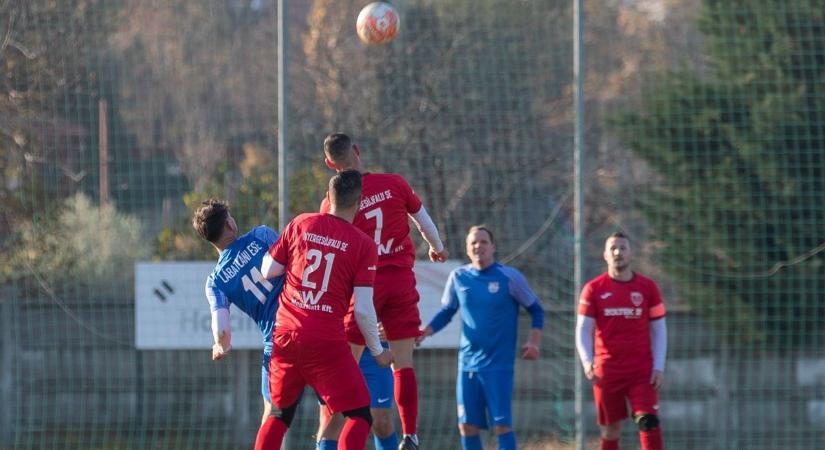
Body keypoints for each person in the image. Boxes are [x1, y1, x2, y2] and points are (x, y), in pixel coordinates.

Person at [321, 132, 449, 450]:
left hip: (364, 288)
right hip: (400, 283)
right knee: (403, 364)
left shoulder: (332, 203)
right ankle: (411, 435)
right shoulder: (394, 183)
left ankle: (325, 442)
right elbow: (424, 221)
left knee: (343, 373)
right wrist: (438, 248)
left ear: (329, 164)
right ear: (357, 151)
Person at [255, 170, 394, 450]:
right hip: (325, 341)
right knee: (359, 414)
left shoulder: (301, 223)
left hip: (285, 334)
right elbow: (364, 311)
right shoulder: (363, 245)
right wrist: (378, 352)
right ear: (359, 202)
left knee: (280, 414)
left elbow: (267, 270)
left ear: (328, 197)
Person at [417, 225, 544, 450]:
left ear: (493, 247)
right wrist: (426, 331)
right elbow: (447, 311)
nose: (478, 246)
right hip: (467, 365)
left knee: (502, 426)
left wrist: (533, 341)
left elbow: (536, 309)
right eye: (473, 242)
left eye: (483, 242)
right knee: (467, 426)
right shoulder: (459, 277)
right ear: (467, 249)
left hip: (499, 365)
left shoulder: (509, 277)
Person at [192, 199, 285, 437]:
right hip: (307, 322)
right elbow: (295, 264)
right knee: (333, 405)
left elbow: (222, 331)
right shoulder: (262, 236)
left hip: (276, 342)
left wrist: (220, 347)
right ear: (230, 224)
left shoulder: (216, 281)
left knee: (273, 412)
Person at [575, 232, 667, 450]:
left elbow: (659, 329)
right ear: (605, 255)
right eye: (613, 248)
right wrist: (588, 362)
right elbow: (583, 328)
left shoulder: (648, 287)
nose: (618, 252)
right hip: (607, 371)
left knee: (649, 422)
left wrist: (659, 366)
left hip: (641, 370)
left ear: (631, 253)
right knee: (610, 430)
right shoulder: (593, 289)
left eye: (623, 248)